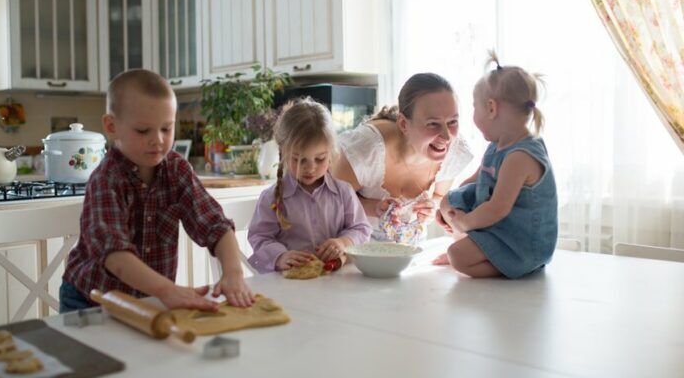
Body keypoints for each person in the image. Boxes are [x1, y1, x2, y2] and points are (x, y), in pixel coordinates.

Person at [60, 69, 255, 312]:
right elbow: (115, 256)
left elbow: (215, 225)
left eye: (166, 128)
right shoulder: (106, 179)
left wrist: (233, 273)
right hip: (91, 301)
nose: (158, 140)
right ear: (111, 126)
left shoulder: (176, 170)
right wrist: (168, 291)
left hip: (149, 301)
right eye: (143, 131)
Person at [435, 52, 558, 278]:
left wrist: (463, 222)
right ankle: (478, 249)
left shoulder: (520, 157)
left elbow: (497, 208)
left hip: (522, 243)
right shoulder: (498, 145)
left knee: (457, 257)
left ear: (491, 108)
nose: (471, 115)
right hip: (502, 228)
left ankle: (502, 264)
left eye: (474, 106)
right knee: (449, 200)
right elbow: (476, 180)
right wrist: (451, 205)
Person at [332, 73, 473, 244]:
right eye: (433, 124)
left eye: (452, 121)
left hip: (411, 252)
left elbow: (438, 194)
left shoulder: (454, 151)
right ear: (404, 124)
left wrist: (431, 207)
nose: (446, 136)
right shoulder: (366, 149)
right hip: (353, 248)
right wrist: (374, 207)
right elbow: (331, 201)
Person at [247, 97, 371, 273]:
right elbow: (260, 237)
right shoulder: (271, 198)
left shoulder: (343, 192)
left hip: (334, 282)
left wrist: (343, 242)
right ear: (284, 153)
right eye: (299, 160)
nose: (310, 168)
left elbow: (361, 229)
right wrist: (281, 256)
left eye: (320, 159)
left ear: (330, 153)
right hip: (289, 284)